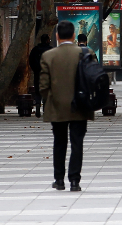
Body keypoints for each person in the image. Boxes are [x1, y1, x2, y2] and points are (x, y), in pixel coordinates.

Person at [39, 20, 94, 191]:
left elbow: (43, 85)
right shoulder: (86, 53)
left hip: (57, 105)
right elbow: (93, 78)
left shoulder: (48, 56)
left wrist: (51, 99)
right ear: (73, 35)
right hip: (80, 104)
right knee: (77, 143)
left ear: (57, 36)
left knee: (59, 142)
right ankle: (75, 180)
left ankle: (59, 179)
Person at [27, 34, 52, 117]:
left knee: (37, 91)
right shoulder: (51, 50)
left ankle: (38, 104)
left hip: (38, 73)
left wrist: (36, 69)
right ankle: (45, 108)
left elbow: (31, 61)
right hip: (48, 74)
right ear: (47, 40)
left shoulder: (35, 50)